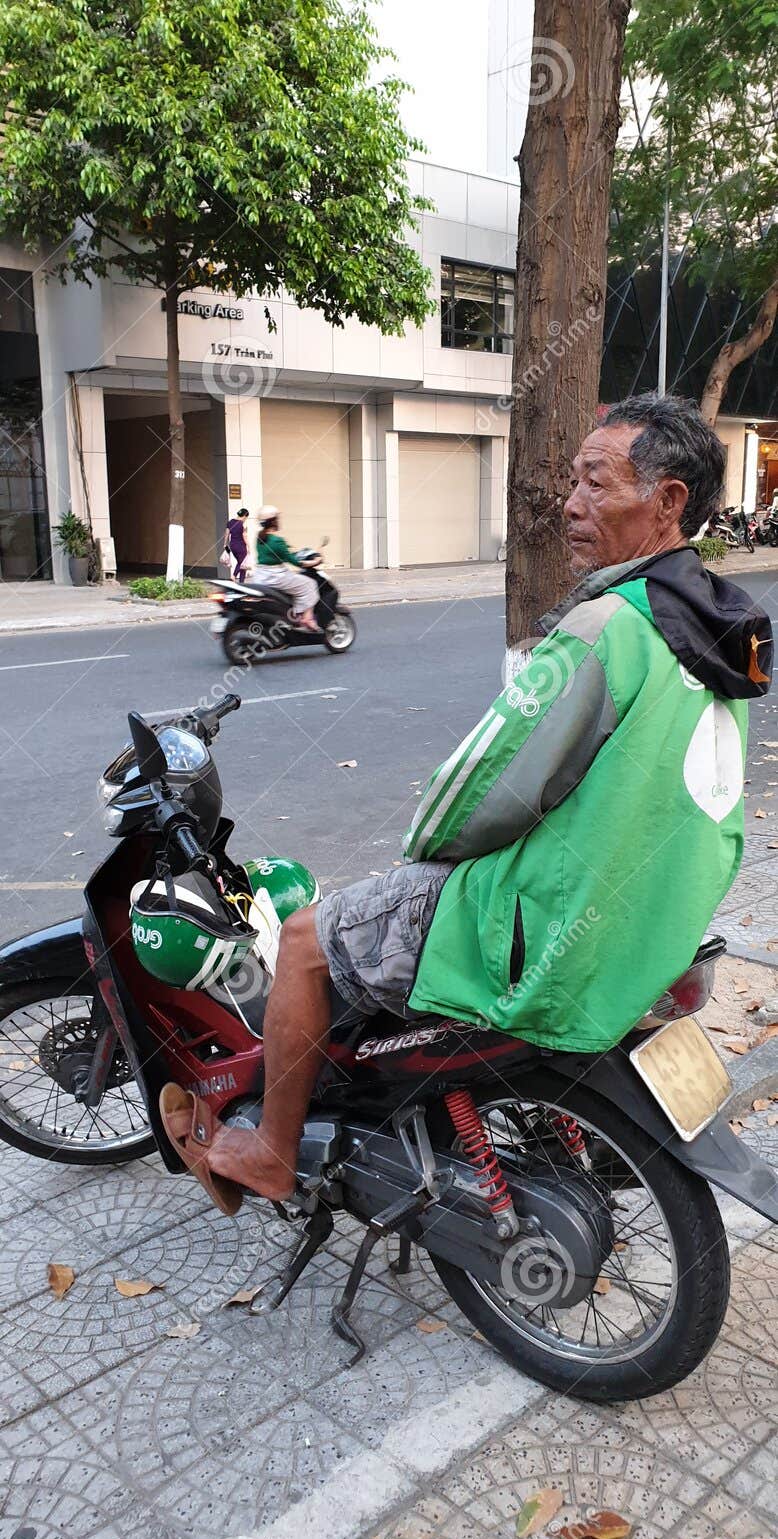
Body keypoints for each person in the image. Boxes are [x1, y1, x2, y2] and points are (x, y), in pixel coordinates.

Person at [160, 394, 773, 1207]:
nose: (572, 503)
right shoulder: (716, 634)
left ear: (667, 503)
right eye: (574, 482)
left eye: (595, 482)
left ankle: (272, 1150)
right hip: (653, 921)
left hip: (553, 922)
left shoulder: (606, 627)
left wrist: (421, 853)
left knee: (308, 942)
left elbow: (478, 789)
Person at [250, 505, 319, 633]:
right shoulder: (277, 541)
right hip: (276, 576)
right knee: (310, 584)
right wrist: (315, 561)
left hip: (261, 576)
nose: (279, 520)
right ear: (273, 521)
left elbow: (279, 554)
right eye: (277, 518)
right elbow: (295, 562)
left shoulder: (260, 538)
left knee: (297, 582)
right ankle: (305, 618)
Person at [222, 507, 250, 582]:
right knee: (242, 563)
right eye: (246, 518)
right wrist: (249, 546)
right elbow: (244, 537)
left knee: (243, 565)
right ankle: (234, 576)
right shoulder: (242, 524)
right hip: (241, 546)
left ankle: (241, 584)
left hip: (233, 546)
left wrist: (225, 544)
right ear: (244, 516)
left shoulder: (230, 522)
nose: (245, 519)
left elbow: (226, 534)